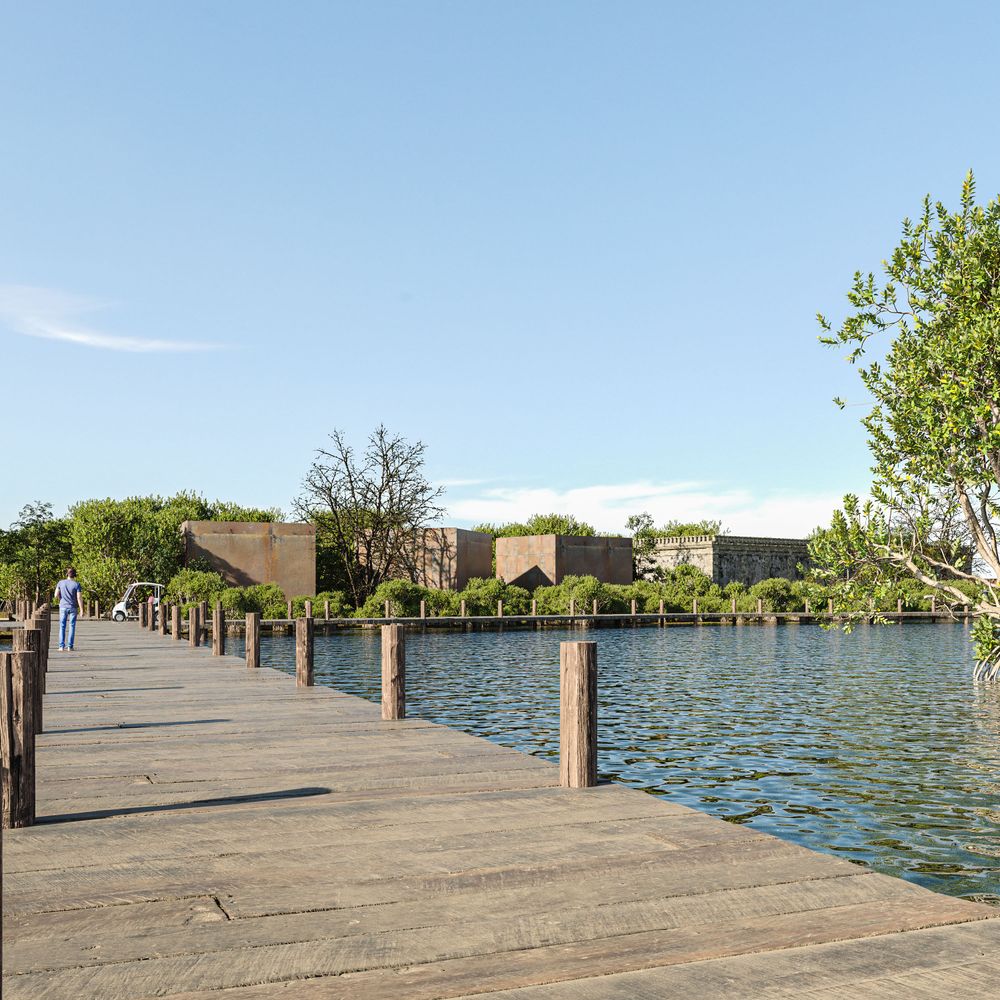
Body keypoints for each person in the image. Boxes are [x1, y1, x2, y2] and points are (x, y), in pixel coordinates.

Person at [54, 567, 84, 651]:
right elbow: (79, 597)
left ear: (67, 574)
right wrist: (81, 609)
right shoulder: (77, 584)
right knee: (72, 626)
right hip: (73, 607)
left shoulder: (60, 582)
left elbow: (55, 595)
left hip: (63, 606)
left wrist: (61, 598)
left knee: (62, 626)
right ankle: (70, 646)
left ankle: (61, 646)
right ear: (74, 575)